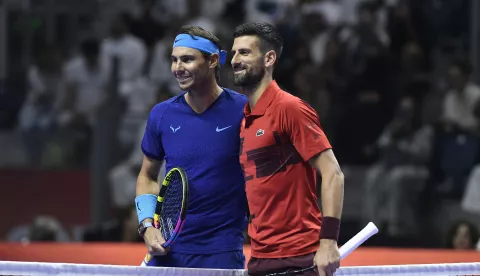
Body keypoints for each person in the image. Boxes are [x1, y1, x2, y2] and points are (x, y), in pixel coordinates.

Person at [231, 22, 345, 276]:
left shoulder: (290, 108)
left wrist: (328, 241)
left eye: (245, 53)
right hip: (260, 257)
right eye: (234, 53)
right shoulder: (245, 120)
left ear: (269, 58)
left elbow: (333, 173)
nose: (235, 60)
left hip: (299, 255)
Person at [135, 25, 248, 269]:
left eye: (187, 59)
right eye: (174, 60)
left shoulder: (244, 111)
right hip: (168, 248)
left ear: (213, 60)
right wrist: (146, 226)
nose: (177, 68)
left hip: (222, 251)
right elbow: (147, 175)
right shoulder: (162, 114)